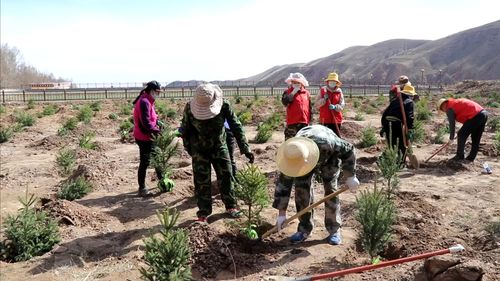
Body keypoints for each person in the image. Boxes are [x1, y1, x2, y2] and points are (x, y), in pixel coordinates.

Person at [273, 125, 360, 245]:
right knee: (301, 190)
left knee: (331, 189)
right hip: (304, 155)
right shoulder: (290, 156)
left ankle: (334, 230)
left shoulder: (328, 144)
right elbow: (283, 186)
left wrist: (351, 176)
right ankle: (304, 228)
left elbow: (349, 150)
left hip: (328, 156)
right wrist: (281, 214)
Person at [181, 82, 254, 223]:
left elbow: (236, 125)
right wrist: (191, 150)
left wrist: (245, 148)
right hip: (199, 150)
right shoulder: (189, 108)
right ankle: (203, 212)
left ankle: (231, 206)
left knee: (227, 175)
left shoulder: (224, 105)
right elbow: (185, 129)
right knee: (201, 181)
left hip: (220, 147)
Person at [132, 80, 164, 197]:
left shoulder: (149, 100)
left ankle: (162, 180)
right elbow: (145, 122)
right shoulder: (144, 101)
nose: (158, 94)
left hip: (148, 135)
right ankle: (142, 188)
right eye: (157, 92)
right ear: (151, 91)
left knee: (157, 157)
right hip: (144, 137)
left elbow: (151, 117)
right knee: (145, 162)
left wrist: (157, 121)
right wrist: (157, 130)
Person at [437, 98, 488, 162]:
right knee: (475, 137)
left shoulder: (449, 108)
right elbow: (467, 120)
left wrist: (451, 138)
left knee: (461, 134)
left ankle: (459, 156)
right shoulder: (455, 103)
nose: (443, 111)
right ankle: (471, 158)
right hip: (483, 114)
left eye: (442, 109)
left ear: (443, 105)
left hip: (476, 115)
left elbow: (452, 124)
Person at [380, 84, 417, 164]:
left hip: (387, 123)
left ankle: (389, 162)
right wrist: (410, 129)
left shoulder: (395, 100)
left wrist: (383, 126)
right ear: (410, 94)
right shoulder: (409, 102)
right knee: (402, 145)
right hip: (397, 125)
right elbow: (410, 117)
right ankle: (401, 164)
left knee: (391, 144)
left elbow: (385, 113)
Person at [281, 73, 312, 140]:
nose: (296, 83)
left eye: (298, 82)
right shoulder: (287, 92)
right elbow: (285, 102)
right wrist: (293, 93)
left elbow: (309, 107)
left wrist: (310, 120)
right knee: (291, 143)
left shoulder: (306, 93)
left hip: (304, 123)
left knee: (303, 144)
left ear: (301, 83)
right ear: (291, 82)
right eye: (294, 82)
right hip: (292, 123)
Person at [315, 72, 345, 137]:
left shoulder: (339, 92)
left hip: (336, 120)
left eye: (334, 81)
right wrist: (324, 100)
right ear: (328, 82)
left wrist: (335, 107)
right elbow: (316, 104)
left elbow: (342, 105)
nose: (332, 83)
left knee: (336, 138)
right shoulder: (323, 90)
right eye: (331, 81)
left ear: (337, 83)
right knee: (325, 138)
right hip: (325, 119)